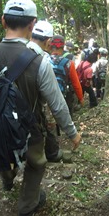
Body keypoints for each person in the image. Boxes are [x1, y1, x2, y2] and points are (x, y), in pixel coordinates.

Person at [0, 0, 81, 216]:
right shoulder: (39, 61)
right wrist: (72, 133)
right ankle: (27, 206)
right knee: (36, 163)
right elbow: (57, 103)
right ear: (32, 25)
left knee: (4, 153)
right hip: (28, 127)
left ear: (3, 21)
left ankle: (7, 176)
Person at [26, 21, 63, 163]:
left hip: (13, 112)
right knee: (48, 127)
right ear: (48, 41)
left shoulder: (16, 53)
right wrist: (72, 133)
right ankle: (51, 153)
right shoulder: (43, 60)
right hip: (37, 109)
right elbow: (56, 101)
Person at [49, 35, 84, 118]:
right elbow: (76, 83)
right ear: (62, 47)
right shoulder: (69, 63)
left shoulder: (44, 60)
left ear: (50, 46)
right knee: (67, 115)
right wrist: (81, 98)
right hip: (64, 96)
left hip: (47, 97)